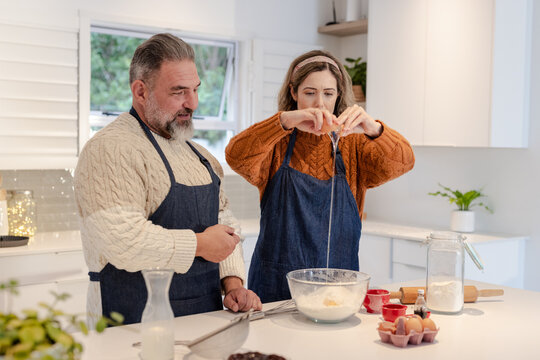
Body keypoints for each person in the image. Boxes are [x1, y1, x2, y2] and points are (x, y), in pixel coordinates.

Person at [74, 33, 261, 325]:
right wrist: (199, 244)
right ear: (141, 92)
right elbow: (124, 243)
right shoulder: (110, 148)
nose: (193, 103)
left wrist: (233, 283)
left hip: (204, 320)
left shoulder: (201, 156)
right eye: (179, 92)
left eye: (195, 89)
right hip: (127, 325)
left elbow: (225, 226)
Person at [225, 50, 415, 303]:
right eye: (309, 93)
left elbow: (404, 161)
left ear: (338, 96)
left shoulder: (354, 145)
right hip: (276, 287)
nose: (320, 104)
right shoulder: (277, 142)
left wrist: (373, 128)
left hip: (339, 290)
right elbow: (236, 155)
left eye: (328, 94)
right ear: (293, 93)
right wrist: (282, 121)